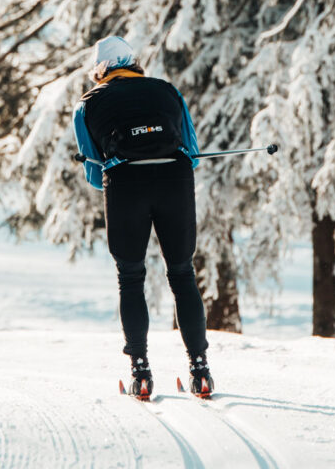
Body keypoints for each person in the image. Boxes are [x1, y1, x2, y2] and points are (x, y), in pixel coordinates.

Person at [72, 36, 213, 399]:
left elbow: (94, 174)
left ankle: (141, 373)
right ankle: (200, 371)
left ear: (99, 71)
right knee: (182, 272)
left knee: (130, 278)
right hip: (174, 179)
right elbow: (192, 152)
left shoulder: (86, 105)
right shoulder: (167, 91)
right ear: (133, 63)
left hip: (125, 184)